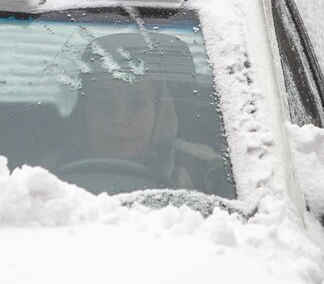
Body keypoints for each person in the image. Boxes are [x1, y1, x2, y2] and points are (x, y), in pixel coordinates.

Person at [70, 32, 228, 193]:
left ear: (159, 112)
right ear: (83, 111)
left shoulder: (208, 172)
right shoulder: (52, 175)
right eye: (103, 103)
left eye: (136, 104)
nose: (119, 119)